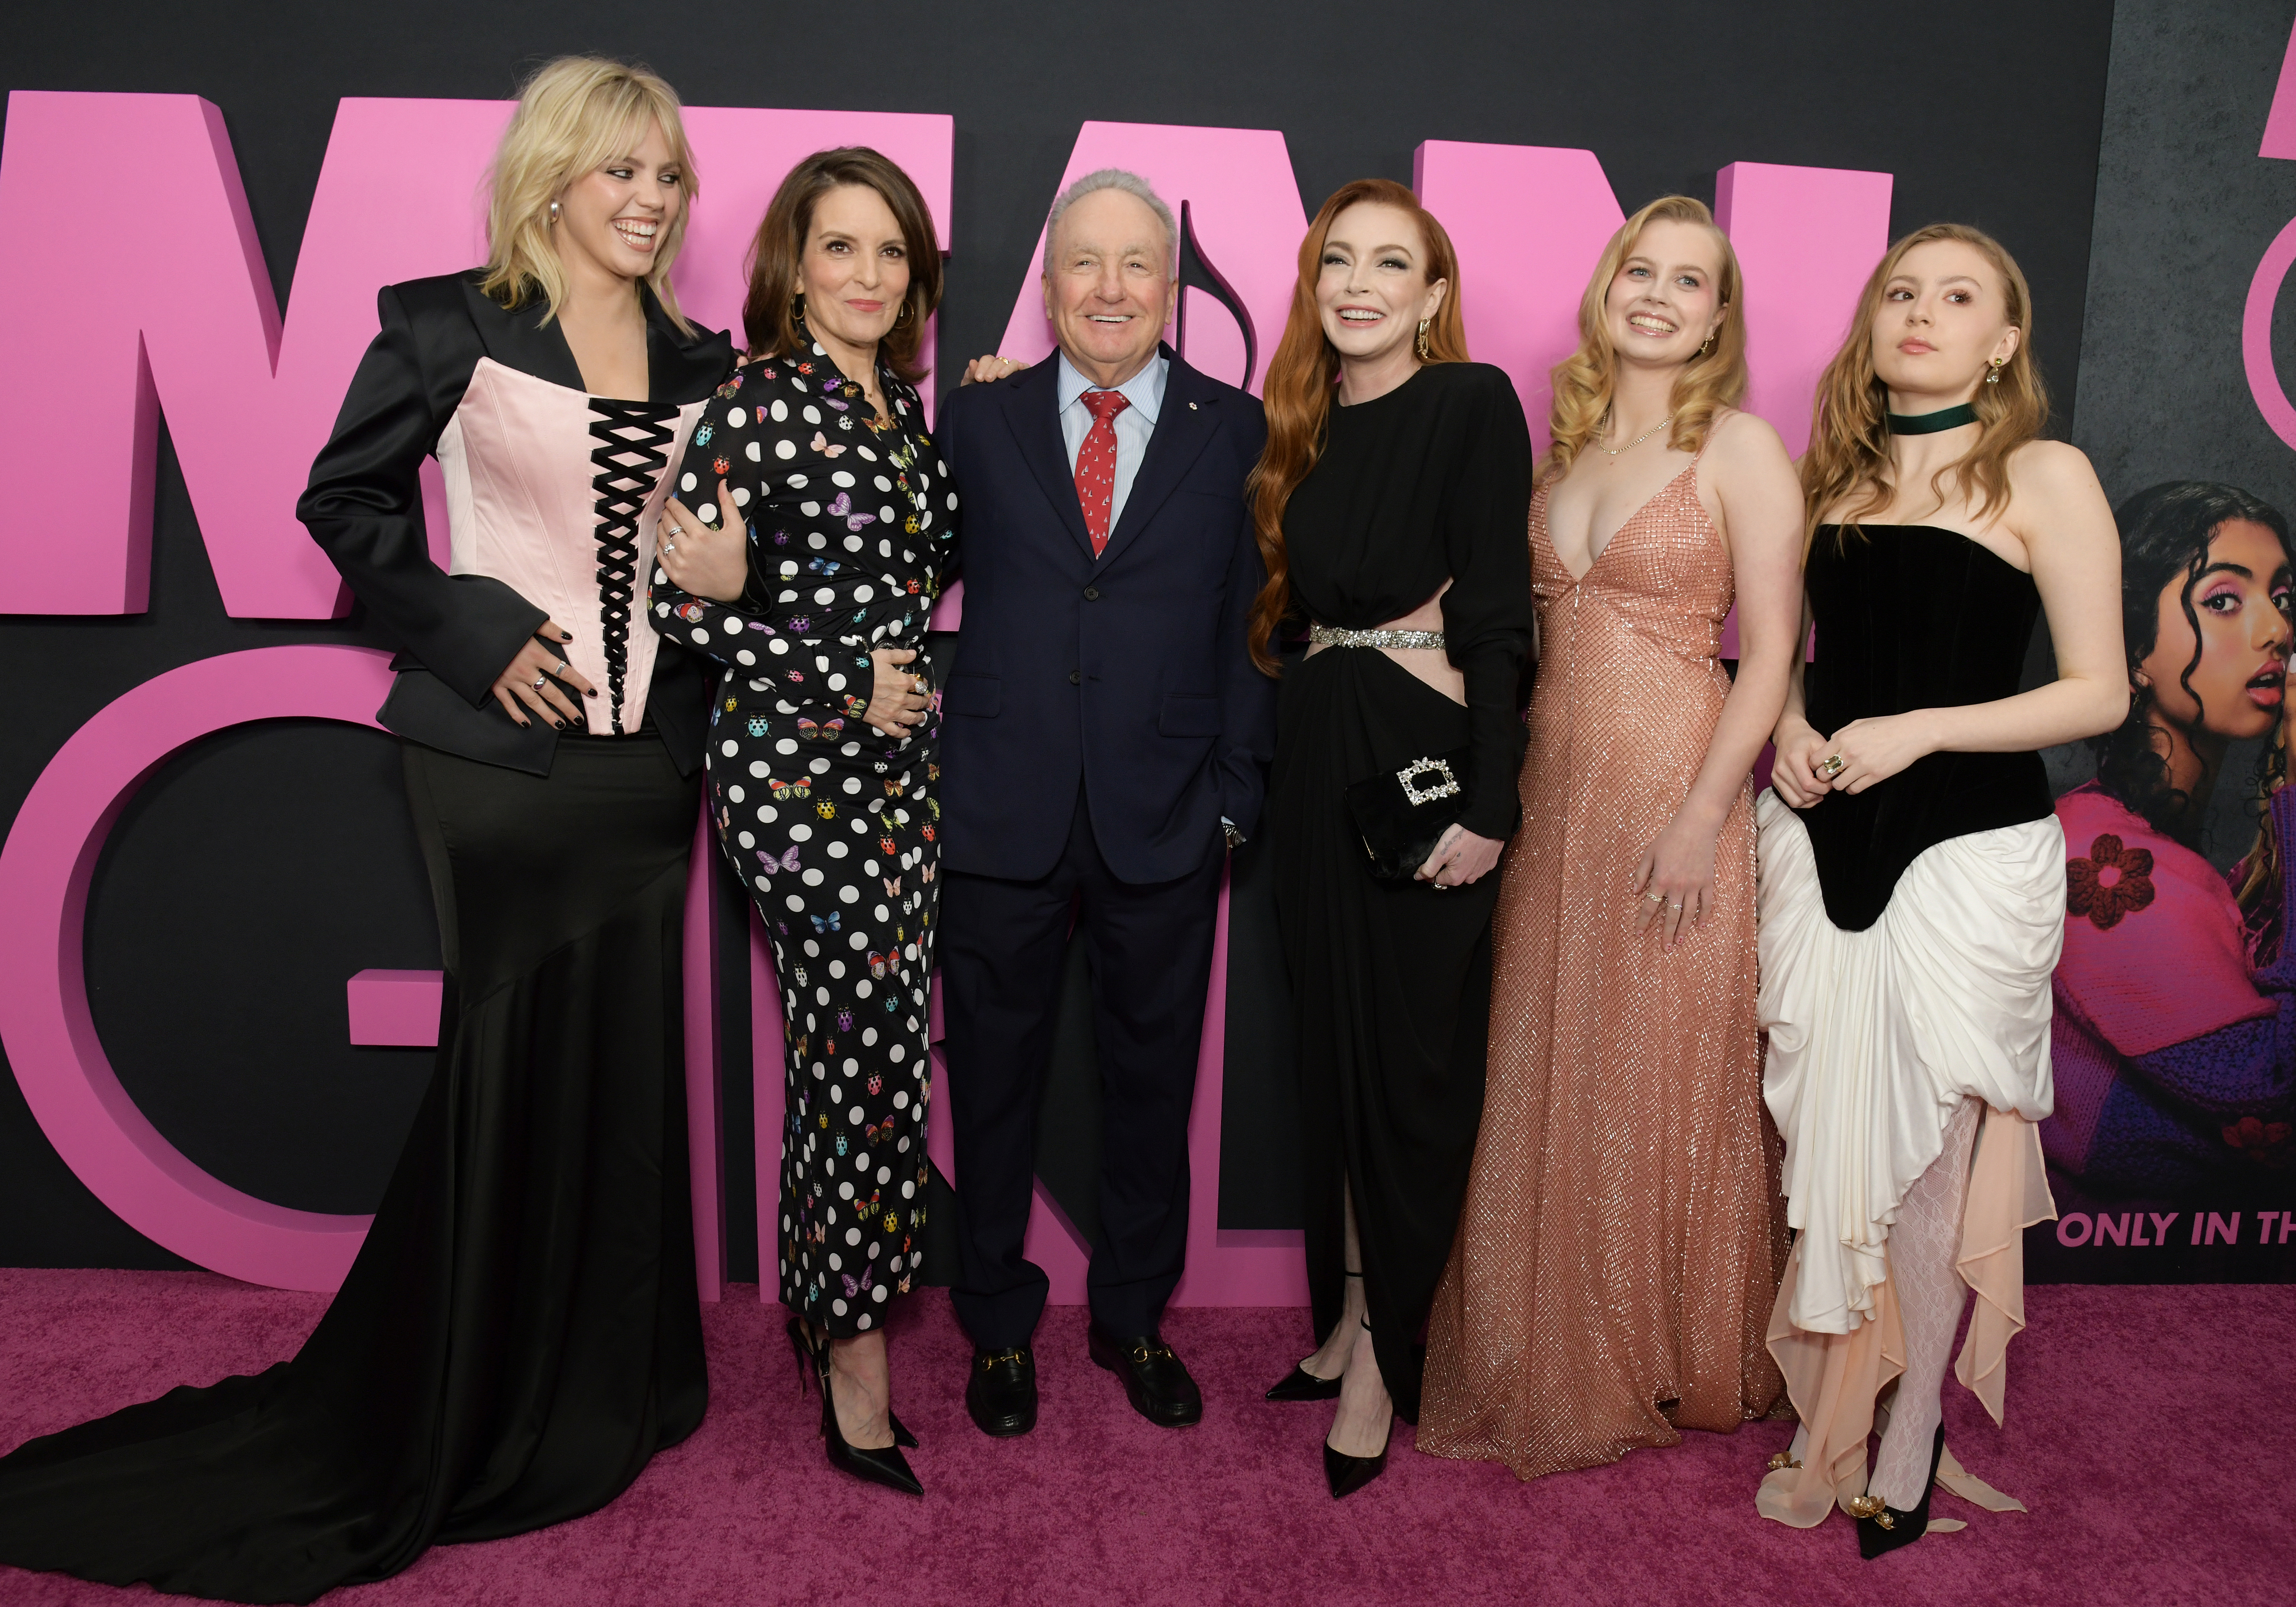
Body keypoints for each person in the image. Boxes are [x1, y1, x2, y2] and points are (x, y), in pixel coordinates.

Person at [0, 59, 733, 1601]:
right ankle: (469, 1391)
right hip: (492, 758)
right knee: (505, 1064)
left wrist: (719, 592)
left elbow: (710, 566)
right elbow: (346, 504)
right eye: (620, 172)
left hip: (648, 773)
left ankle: (606, 1382)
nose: (651, 200)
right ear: (551, 178)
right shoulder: (446, 319)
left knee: (618, 1070)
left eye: (666, 174)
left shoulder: (702, 354)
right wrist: (470, 632)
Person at [1754, 223, 2124, 1555]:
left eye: (1956, 296)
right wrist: (1787, 727)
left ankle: (1905, 1439)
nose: (1921, 312)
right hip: (1816, 843)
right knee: (1826, 1144)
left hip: (1968, 856)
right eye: (1900, 291)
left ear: (2002, 338)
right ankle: (1832, 1413)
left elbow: (2098, 689)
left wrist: (1916, 730)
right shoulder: (1829, 478)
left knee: (1926, 1163)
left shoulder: (2040, 473)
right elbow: (1791, 655)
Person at [1418, 195, 1802, 1480]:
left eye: (1687, 283)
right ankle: (1544, 1336)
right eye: (1640, 270)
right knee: (1545, 1058)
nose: (1656, 295)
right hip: (1551, 791)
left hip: (1668, 790)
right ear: (1605, 289)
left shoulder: (1740, 450)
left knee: (1654, 1070)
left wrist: (1703, 812)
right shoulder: (1558, 456)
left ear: (1715, 319)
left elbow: (1770, 651)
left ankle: (1664, 1348)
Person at [932, 169, 1275, 1441]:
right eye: (1086, 263)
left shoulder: (1234, 431)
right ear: (1047, 285)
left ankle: (1132, 1315)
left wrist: (1233, 799)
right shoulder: (975, 420)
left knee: (1150, 1083)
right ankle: (997, 1328)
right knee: (992, 1088)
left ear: (1171, 288)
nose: (1112, 288)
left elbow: (1255, 623)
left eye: (1137, 263)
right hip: (996, 812)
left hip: (1168, 815)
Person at [649, 147, 949, 1496]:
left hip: (902, 783)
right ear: (795, 263)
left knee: (876, 1053)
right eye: (841, 248)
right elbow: (676, 606)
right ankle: (853, 1364)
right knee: (856, 1059)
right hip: (795, 779)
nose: (868, 276)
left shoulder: (907, 414)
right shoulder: (756, 405)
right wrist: (839, 672)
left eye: (890, 252)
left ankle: (834, 1315)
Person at [1251, 178, 1533, 1498]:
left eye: (1389, 264)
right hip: (1315, 756)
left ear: (1431, 294)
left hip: (1418, 767)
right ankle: (1344, 1314)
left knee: (1409, 1071)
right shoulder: (1299, 427)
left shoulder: (1468, 405)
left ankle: (1384, 1353)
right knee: (1332, 1061)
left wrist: (1492, 803)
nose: (1356, 284)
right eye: (1335, 262)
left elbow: (1494, 621)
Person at [2046, 483, 2296, 1195]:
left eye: (2282, 597)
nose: (2275, 629)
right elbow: (2271, 1103)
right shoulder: (2102, 856)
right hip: (2109, 1287)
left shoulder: (2188, 856)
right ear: (2128, 647)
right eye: (2223, 600)